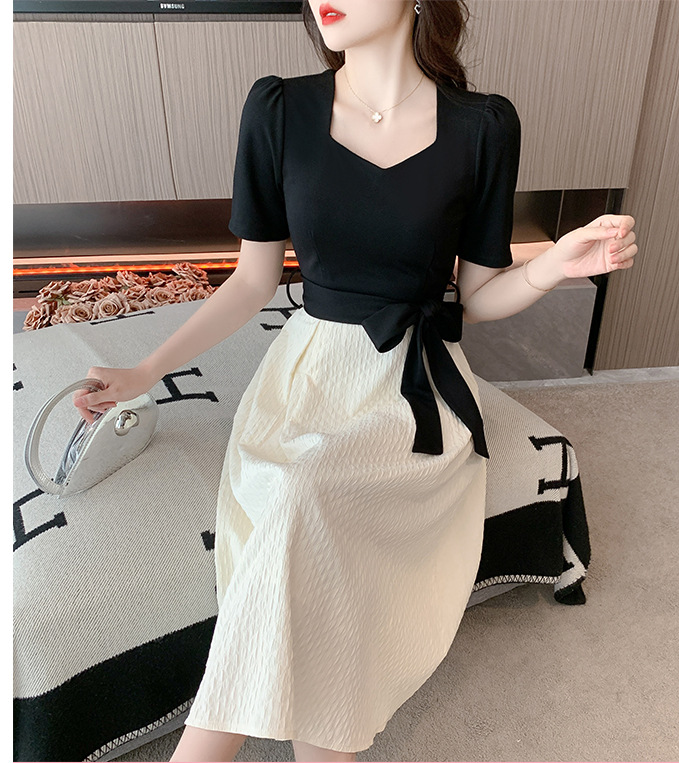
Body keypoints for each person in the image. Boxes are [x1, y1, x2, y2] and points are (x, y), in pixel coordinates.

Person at [72, 1, 638, 760]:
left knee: (304, 495)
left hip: (413, 388)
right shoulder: (279, 110)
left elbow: (477, 295)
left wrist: (554, 266)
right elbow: (251, 282)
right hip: (307, 376)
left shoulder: (482, 126)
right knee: (299, 492)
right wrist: (147, 369)